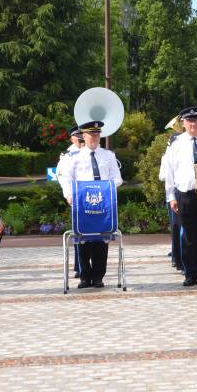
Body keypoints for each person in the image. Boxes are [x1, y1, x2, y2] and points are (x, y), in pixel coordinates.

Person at [164, 107, 197, 287]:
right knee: (188, 235)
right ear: (183, 123)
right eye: (189, 120)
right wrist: (171, 196)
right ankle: (189, 273)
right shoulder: (175, 144)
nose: (193, 123)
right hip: (185, 194)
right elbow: (169, 173)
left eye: (196, 120)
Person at [67, 120, 123, 288]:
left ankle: (98, 276)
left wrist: (107, 188)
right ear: (84, 136)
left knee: (101, 239)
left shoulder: (108, 155)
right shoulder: (74, 158)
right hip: (82, 203)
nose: (95, 137)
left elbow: (117, 178)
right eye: (92, 134)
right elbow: (66, 179)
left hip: (103, 203)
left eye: (98, 134)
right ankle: (84, 276)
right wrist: (69, 195)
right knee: (83, 239)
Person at [56, 127, 84, 277]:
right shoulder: (67, 155)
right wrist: (68, 194)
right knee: (79, 233)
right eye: (78, 138)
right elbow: (62, 176)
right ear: (72, 139)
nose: (81, 141)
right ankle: (80, 267)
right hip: (77, 197)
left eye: (82, 137)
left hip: (92, 196)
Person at [160, 130, 184, 272]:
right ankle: (176, 257)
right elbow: (162, 175)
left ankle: (182, 258)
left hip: (184, 190)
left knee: (184, 227)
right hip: (174, 191)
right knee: (176, 227)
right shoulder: (167, 156)